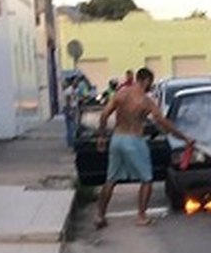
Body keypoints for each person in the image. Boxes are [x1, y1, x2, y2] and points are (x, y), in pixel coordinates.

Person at [95, 68, 194, 228]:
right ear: (146, 80)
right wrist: (184, 137)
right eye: (151, 82)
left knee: (111, 179)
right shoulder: (145, 100)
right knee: (147, 178)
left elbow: (104, 114)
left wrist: (101, 136)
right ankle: (141, 216)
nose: (151, 86)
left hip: (117, 139)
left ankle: (100, 215)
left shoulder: (120, 93)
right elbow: (162, 122)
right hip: (134, 140)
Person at [62, 79, 79, 148]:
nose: (77, 83)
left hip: (71, 108)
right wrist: (70, 110)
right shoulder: (69, 91)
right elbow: (68, 101)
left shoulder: (73, 90)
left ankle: (70, 142)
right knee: (71, 127)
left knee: (71, 127)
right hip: (69, 109)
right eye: (76, 82)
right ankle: (71, 143)